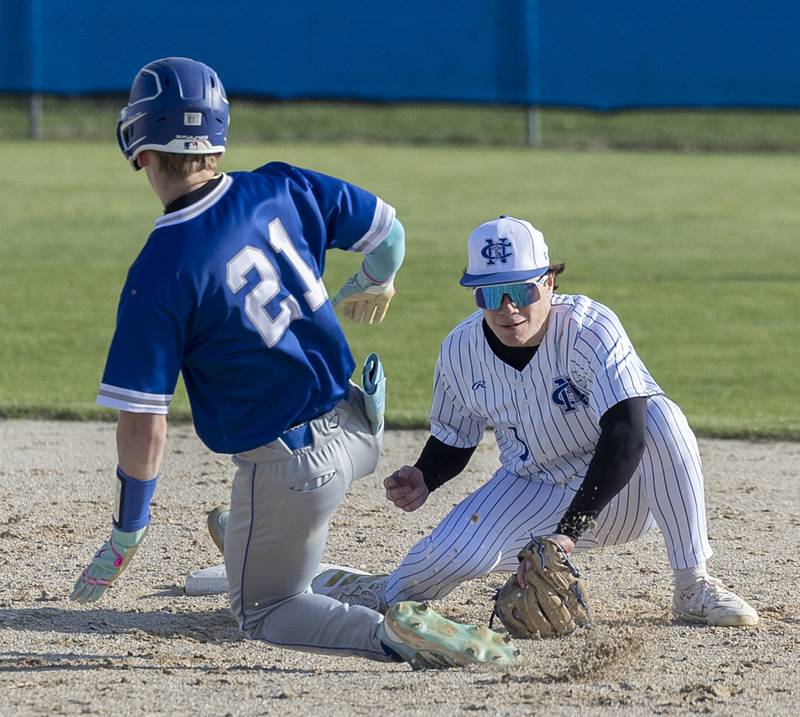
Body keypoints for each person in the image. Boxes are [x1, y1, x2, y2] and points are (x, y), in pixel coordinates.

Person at [69, 57, 518, 670]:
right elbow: (389, 235)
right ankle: (254, 533)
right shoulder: (280, 184)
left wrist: (129, 529)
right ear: (217, 137)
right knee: (274, 515)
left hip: (295, 469)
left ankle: (390, 635)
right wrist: (372, 282)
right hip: (361, 428)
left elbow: (144, 425)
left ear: (140, 149)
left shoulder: (160, 269)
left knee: (265, 611)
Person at [307, 215, 759, 628]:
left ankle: (693, 585)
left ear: (549, 282)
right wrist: (426, 475)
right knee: (442, 561)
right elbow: (454, 438)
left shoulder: (590, 329)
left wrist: (567, 533)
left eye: (521, 290)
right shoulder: (460, 350)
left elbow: (627, 433)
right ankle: (369, 588)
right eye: (489, 292)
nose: (507, 308)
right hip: (533, 486)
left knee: (661, 415)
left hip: (623, 494)